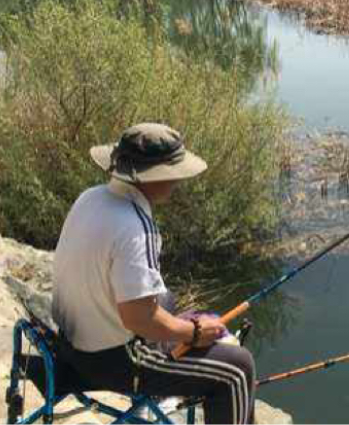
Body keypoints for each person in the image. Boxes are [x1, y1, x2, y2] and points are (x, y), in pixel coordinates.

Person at [51, 123, 256, 424]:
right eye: (173, 173)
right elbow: (139, 320)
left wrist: (174, 327)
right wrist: (195, 333)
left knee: (165, 298)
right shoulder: (135, 227)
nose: (178, 181)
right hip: (113, 362)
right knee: (238, 369)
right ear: (153, 177)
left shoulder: (91, 198)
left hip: (71, 343)